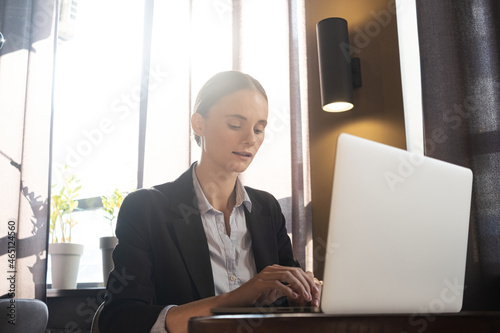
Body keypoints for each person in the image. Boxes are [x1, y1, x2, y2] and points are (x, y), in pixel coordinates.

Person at [98, 71, 322, 333]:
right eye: (235, 125)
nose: (250, 139)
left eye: (259, 129)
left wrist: (302, 296)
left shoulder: (267, 209)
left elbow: (284, 305)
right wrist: (238, 297)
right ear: (198, 124)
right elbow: (120, 320)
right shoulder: (147, 209)